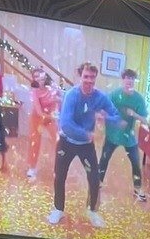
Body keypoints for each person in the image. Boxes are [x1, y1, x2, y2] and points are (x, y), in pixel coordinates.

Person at [48, 61, 121, 228]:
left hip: (86, 146)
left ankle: (93, 211)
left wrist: (105, 118)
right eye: (86, 76)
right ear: (80, 76)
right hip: (66, 142)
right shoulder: (71, 95)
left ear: (95, 78)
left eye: (92, 77)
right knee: (59, 176)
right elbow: (65, 124)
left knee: (94, 178)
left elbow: (116, 116)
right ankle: (58, 209)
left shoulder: (100, 97)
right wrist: (86, 134)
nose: (89, 80)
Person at [98, 68, 148, 201]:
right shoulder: (114, 94)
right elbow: (103, 111)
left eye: (132, 79)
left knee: (136, 163)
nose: (129, 81)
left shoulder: (138, 99)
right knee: (104, 159)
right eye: (127, 78)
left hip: (129, 137)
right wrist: (113, 120)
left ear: (134, 81)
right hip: (112, 135)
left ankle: (138, 189)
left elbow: (144, 120)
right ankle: (98, 182)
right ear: (123, 79)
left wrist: (134, 114)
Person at [26, 67, 60, 179]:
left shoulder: (52, 89)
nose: (38, 78)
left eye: (39, 75)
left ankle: (58, 168)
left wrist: (55, 114)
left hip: (50, 118)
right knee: (35, 142)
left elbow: (57, 103)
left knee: (58, 141)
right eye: (35, 76)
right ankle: (32, 168)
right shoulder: (34, 91)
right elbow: (39, 111)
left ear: (45, 77)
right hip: (37, 118)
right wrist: (52, 116)